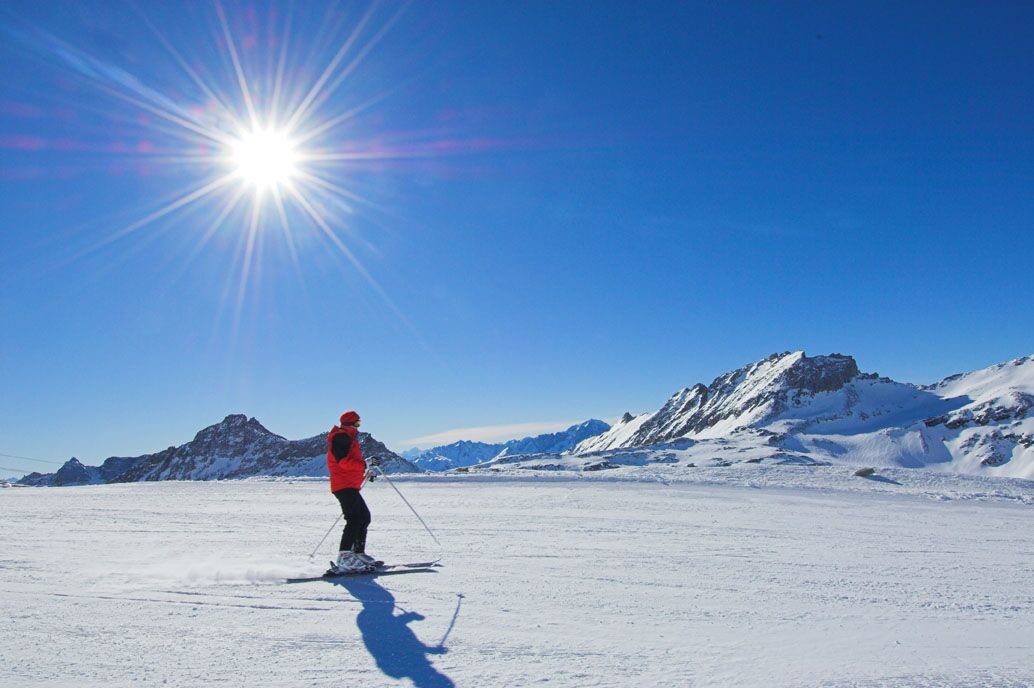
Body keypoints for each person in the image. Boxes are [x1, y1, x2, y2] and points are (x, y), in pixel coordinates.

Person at [326, 410, 381, 573]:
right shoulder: (341, 437)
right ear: (350, 423)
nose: (358, 426)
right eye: (357, 423)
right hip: (343, 485)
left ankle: (358, 553)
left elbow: (352, 463)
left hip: (349, 484)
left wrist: (365, 471)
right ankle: (345, 558)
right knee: (354, 519)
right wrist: (363, 466)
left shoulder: (348, 438)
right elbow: (342, 462)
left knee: (364, 517)